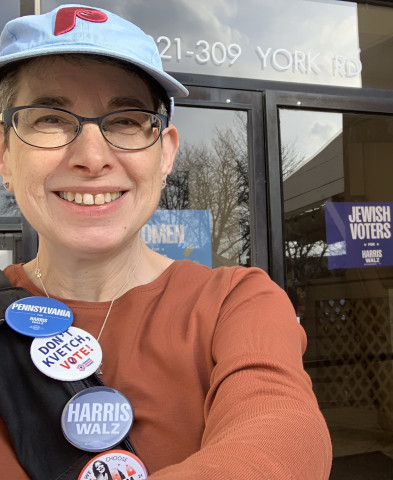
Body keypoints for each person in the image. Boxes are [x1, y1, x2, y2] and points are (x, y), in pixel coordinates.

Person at [0, 4, 332, 479]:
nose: (92, 158)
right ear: (5, 156)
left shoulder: (234, 304)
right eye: (50, 118)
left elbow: (283, 440)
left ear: (165, 155)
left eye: (125, 121)